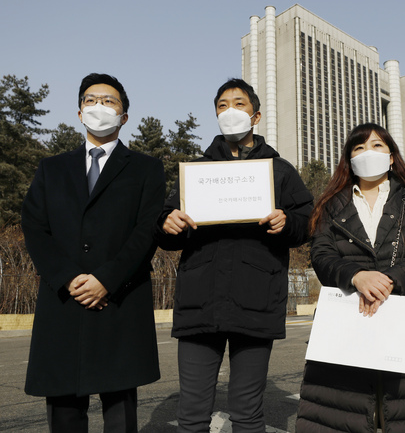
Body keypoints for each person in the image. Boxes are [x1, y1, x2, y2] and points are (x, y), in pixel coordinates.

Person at [156, 78, 313, 433]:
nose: (230, 112)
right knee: (192, 415)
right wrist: (168, 223)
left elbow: (307, 221)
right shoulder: (194, 173)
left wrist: (287, 222)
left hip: (256, 301)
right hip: (200, 301)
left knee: (247, 413)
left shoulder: (280, 170)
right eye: (222, 106)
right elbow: (163, 228)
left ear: (255, 116)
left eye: (239, 104)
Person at [21, 73, 165, 432]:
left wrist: (107, 278)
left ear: (124, 116)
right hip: (64, 302)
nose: (99, 107)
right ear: (79, 112)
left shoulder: (147, 168)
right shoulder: (51, 168)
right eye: (90, 100)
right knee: (64, 413)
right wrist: (68, 278)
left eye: (109, 101)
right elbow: (35, 228)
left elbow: (146, 231)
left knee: (120, 414)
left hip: (119, 300)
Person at [296, 123, 405, 432]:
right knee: (342, 413)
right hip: (346, 318)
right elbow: (322, 255)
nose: (369, 153)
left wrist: (387, 281)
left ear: (392, 157)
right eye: (359, 148)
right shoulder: (330, 205)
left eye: (378, 146)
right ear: (349, 159)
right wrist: (356, 276)